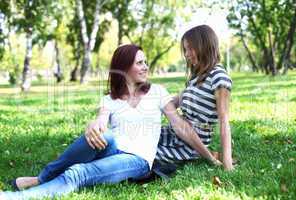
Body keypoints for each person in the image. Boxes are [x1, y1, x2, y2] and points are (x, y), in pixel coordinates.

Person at [0, 44, 220, 200]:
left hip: (137, 159)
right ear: (124, 68)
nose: (145, 67)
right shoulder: (109, 99)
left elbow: (182, 127)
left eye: (146, 62)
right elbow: (101, 119)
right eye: (140, 63)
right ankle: (42, 179)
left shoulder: (158, 92)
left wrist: (209, 156)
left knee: (78, 172)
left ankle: (16, 196)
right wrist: (95, 124)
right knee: (100, 135)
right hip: (111, 148)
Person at [154, 25, 234, 170]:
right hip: (175, 134)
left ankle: (213, 155)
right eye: (185, 49)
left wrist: (227, 163)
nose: (186, 54)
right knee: (131, 139)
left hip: (189, 145)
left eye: (190, 48)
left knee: (143, 153)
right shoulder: (196, 77)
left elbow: (224, 121)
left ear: (205, 46)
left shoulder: (219, 77)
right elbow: (172, 102)